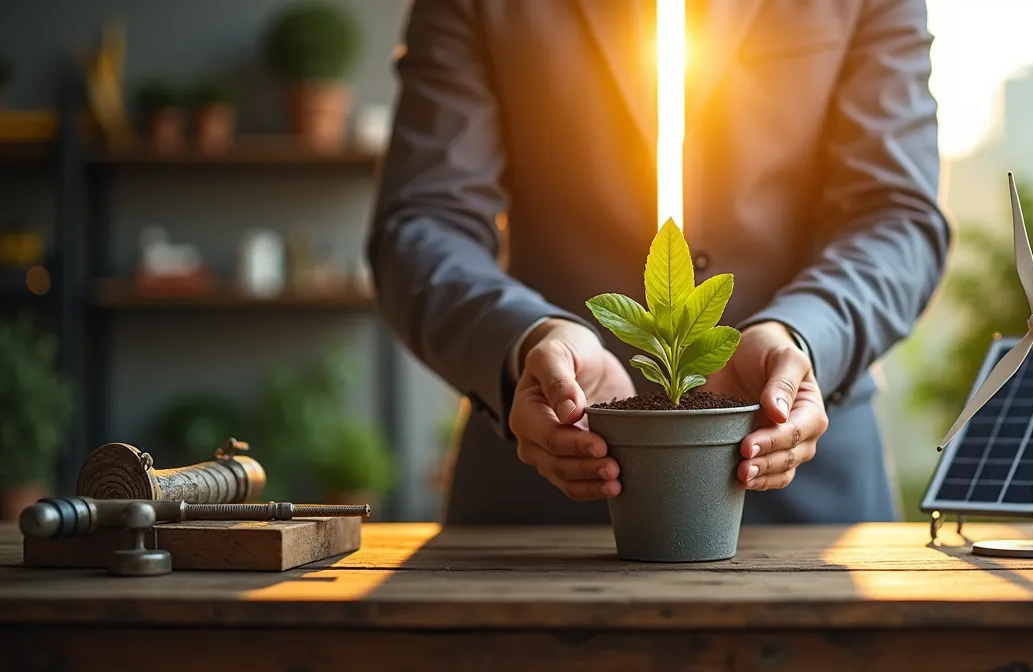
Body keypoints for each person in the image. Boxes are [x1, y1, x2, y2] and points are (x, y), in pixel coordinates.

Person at [367, 0, 951, 526]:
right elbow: (420, 224)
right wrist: (526, 336)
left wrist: (804, 332)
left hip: (801, 493)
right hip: (547, 489)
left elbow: (897, 219)